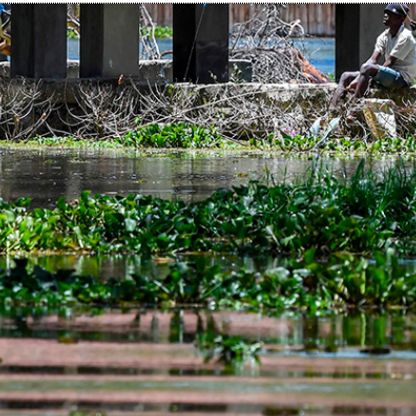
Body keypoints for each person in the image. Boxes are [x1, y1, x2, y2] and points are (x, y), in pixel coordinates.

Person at [330, 3, 416, 110]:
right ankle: (332, 109)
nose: (385, 16)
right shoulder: (384, 36)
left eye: (390, 14)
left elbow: (389, 62)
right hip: (389, 75)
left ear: (401, 19)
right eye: (385, 13)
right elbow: (372, 60)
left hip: (401, 79)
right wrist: (359, 77)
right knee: (346, 76)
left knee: (367, 69)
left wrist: (370, 77)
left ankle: (353, 108)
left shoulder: (406, 37)